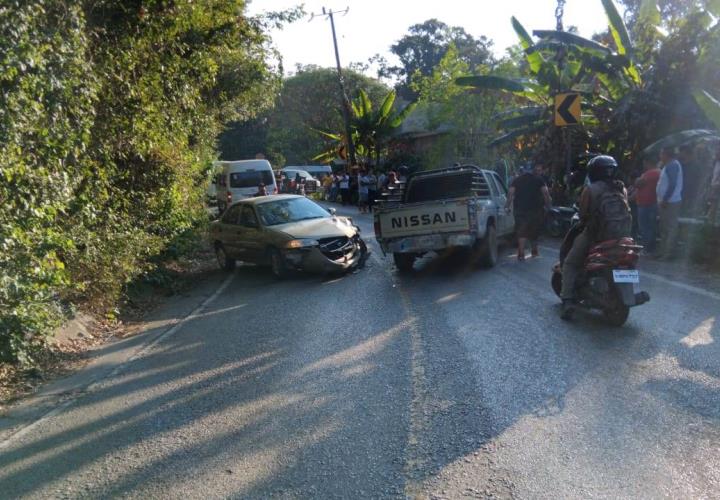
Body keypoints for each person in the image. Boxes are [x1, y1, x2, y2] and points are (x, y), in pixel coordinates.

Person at [560, 155, 631, 320]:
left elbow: (584, 215)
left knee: (570, 263)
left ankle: (567, 300)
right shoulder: (622, 188)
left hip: (596, 236)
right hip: (622, 237)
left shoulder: (590, 190)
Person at [506, 163, 551, 260]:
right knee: (534, 231)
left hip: (519, 210)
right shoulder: (539, 180)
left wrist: (507, 206)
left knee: (521, 231)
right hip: (535, 210)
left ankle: (521, 254)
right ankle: (534, 251)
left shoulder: (516, 180)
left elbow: (510, 193)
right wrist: (548, 205)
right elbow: (546, 193)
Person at [656, 146, 684, 260]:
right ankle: (663, 252)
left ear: (666, 154)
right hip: (667, 201)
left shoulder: (672, 165)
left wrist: (665, 200)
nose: (660, 156)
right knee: (664, 228)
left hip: (670, 202)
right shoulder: (669, 165)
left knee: (670, 228)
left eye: (661, 154)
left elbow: (672, 184)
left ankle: (668, 254)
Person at [634, 156, 661, 254]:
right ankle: (650, 248)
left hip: (646, 204)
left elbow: (637, 183)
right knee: (650, 226)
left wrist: (638, 179)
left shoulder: (651, 173)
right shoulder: (658, 172)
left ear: (648, 162)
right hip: (651, 203)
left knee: (645, 227)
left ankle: (647, 249)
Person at [707, 144, 720, 225]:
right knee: (712, 205)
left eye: (718, 152)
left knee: (715, 206)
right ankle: (711, 222)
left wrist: (717, 184)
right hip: (714, 187)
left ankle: (714, 223)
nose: (716, 153)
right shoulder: (716, 162)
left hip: (717, 188)